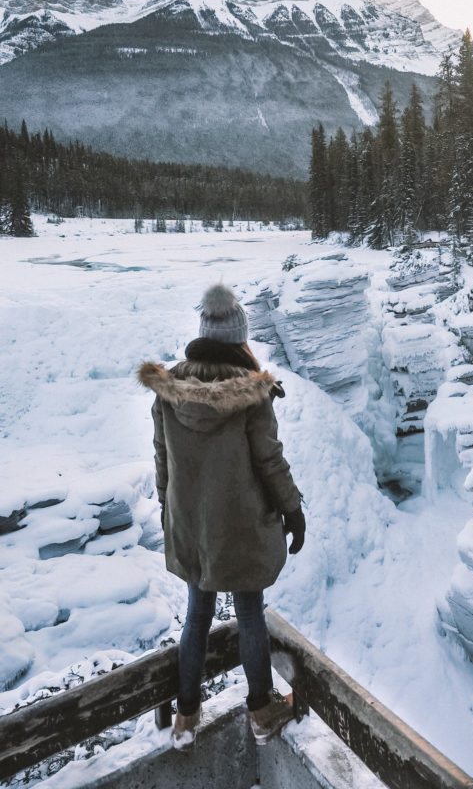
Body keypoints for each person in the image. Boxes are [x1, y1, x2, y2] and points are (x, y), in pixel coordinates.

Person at [138, 283, 305, 749]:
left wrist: (170, 506)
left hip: (191, 524)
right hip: (240, 526)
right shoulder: (251, 395)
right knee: (249, 612)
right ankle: (261, 710)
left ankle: (186, 718)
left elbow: (161, 456)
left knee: (197, 614)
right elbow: (269, 460)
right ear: (239, 339)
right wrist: (293, 510)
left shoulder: (169, 388)